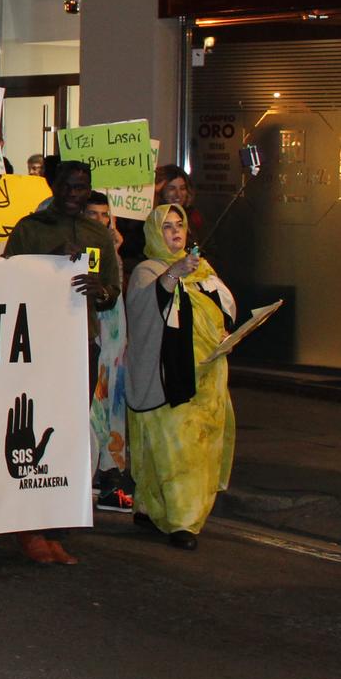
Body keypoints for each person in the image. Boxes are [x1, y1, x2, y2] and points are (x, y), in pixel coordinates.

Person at [4, 159, 120, 566]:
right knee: (31, 430)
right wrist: (49, 262)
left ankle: (55, 527)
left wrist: (100, 289)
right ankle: (29, 528)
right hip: (38, 343)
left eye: (82, 187)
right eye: (68, 186)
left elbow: (112, 290)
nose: (74, 193)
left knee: (67, 435)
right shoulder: (30, 229)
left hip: (80, 343)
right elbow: (6, 278)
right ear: (53, 186)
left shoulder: (98, 234)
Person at [124, 204, 236, 550]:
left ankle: (154, 508)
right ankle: (182, 521)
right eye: (167, 227)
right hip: (169, 379)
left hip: (205, 376)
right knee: (175, 451)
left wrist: (220, 330)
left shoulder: (202, 270)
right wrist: (173, 273)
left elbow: (222, 308)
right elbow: (144, 309)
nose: (175, 232)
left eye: (180, 225)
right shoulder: (147, 270)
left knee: (196, 448)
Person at [83, 191, 132, 508]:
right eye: (93, 214)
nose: (100, 221)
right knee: (92, 409)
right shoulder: (81, 249)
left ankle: (109, 475)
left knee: (111, 405)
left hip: (113, 344)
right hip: (93, 338)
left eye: (105, 215)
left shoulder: (110, 249)